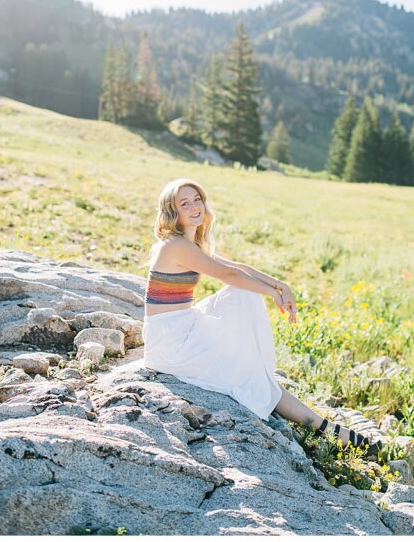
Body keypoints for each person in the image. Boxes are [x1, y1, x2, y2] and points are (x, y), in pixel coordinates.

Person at [142, 178, 378, 453]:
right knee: (244, 297)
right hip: (171, 344)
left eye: (197, 199)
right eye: (185, 203)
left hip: (182, 327)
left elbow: (236, 266)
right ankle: (327, 429)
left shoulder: (188, 242)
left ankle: (328, 429)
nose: (195, 207)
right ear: (173, 212)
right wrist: (273, 294)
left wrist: (280, 284)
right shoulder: (175, 245)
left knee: (248, 350)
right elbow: (229, 275)